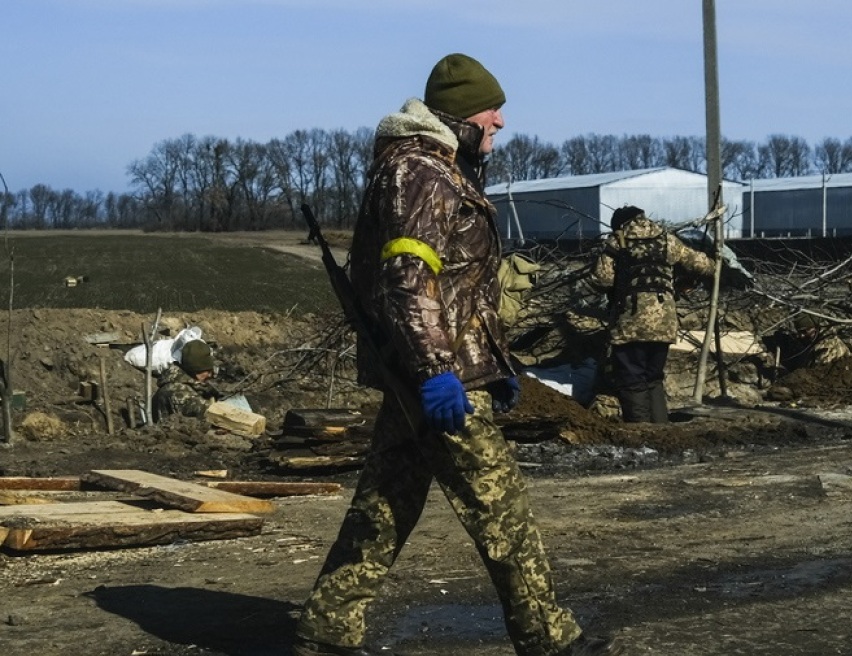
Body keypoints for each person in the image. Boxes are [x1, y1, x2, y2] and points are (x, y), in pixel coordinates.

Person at [293, 54, 623, 656]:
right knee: (503, 511)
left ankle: (326, 627)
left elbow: (459, 287)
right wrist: (441, 373)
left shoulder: (435, 168)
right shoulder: (422, 174)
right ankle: (548, 638)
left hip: (435, 372)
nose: (499, 120)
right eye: (489, 110)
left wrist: (493, 360)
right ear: (459, 117)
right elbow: (409, 280)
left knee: (386, 503)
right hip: (439, 381)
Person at [590, 205, 717, 423]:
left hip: (630, 321)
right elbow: (704, 265)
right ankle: (661, 428)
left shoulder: (616, 242)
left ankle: (642, 431)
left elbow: (601, 280)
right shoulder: (667, 240)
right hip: (664, 322)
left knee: (632, 379)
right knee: (653, 378)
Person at [153, 339, 219, 420]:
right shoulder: (177, 391)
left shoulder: (184, 381)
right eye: (207, 371)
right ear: (196, 371)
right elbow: (210, 415)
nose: (210, 375)